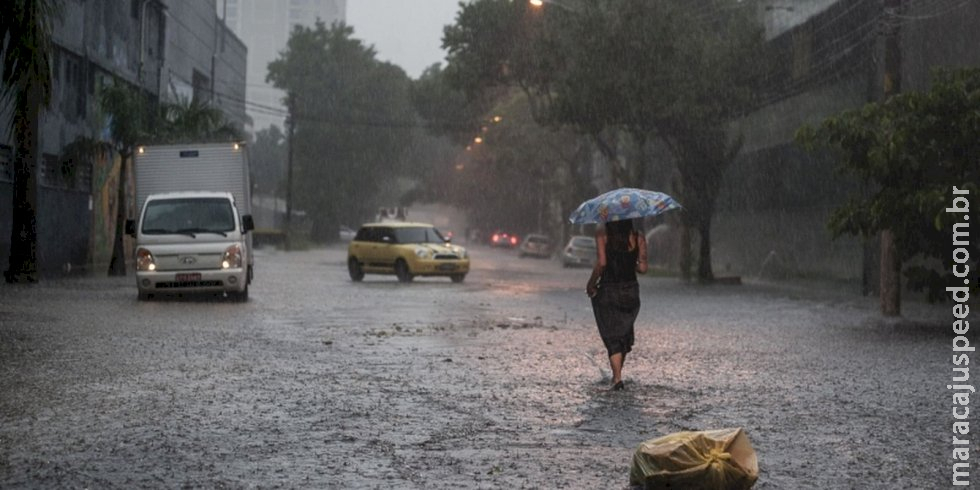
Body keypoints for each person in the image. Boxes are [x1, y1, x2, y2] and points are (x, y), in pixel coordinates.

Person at [586, 219, 647, 391]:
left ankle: (617, 378)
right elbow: (643, 268)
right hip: (631, 291)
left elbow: (602, 263)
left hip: (609, 290)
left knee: (612, 335)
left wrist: (591, 284)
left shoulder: (602, 234)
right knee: (623, 333)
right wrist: (629, 261)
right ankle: (617, 375)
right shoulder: (638, 236)